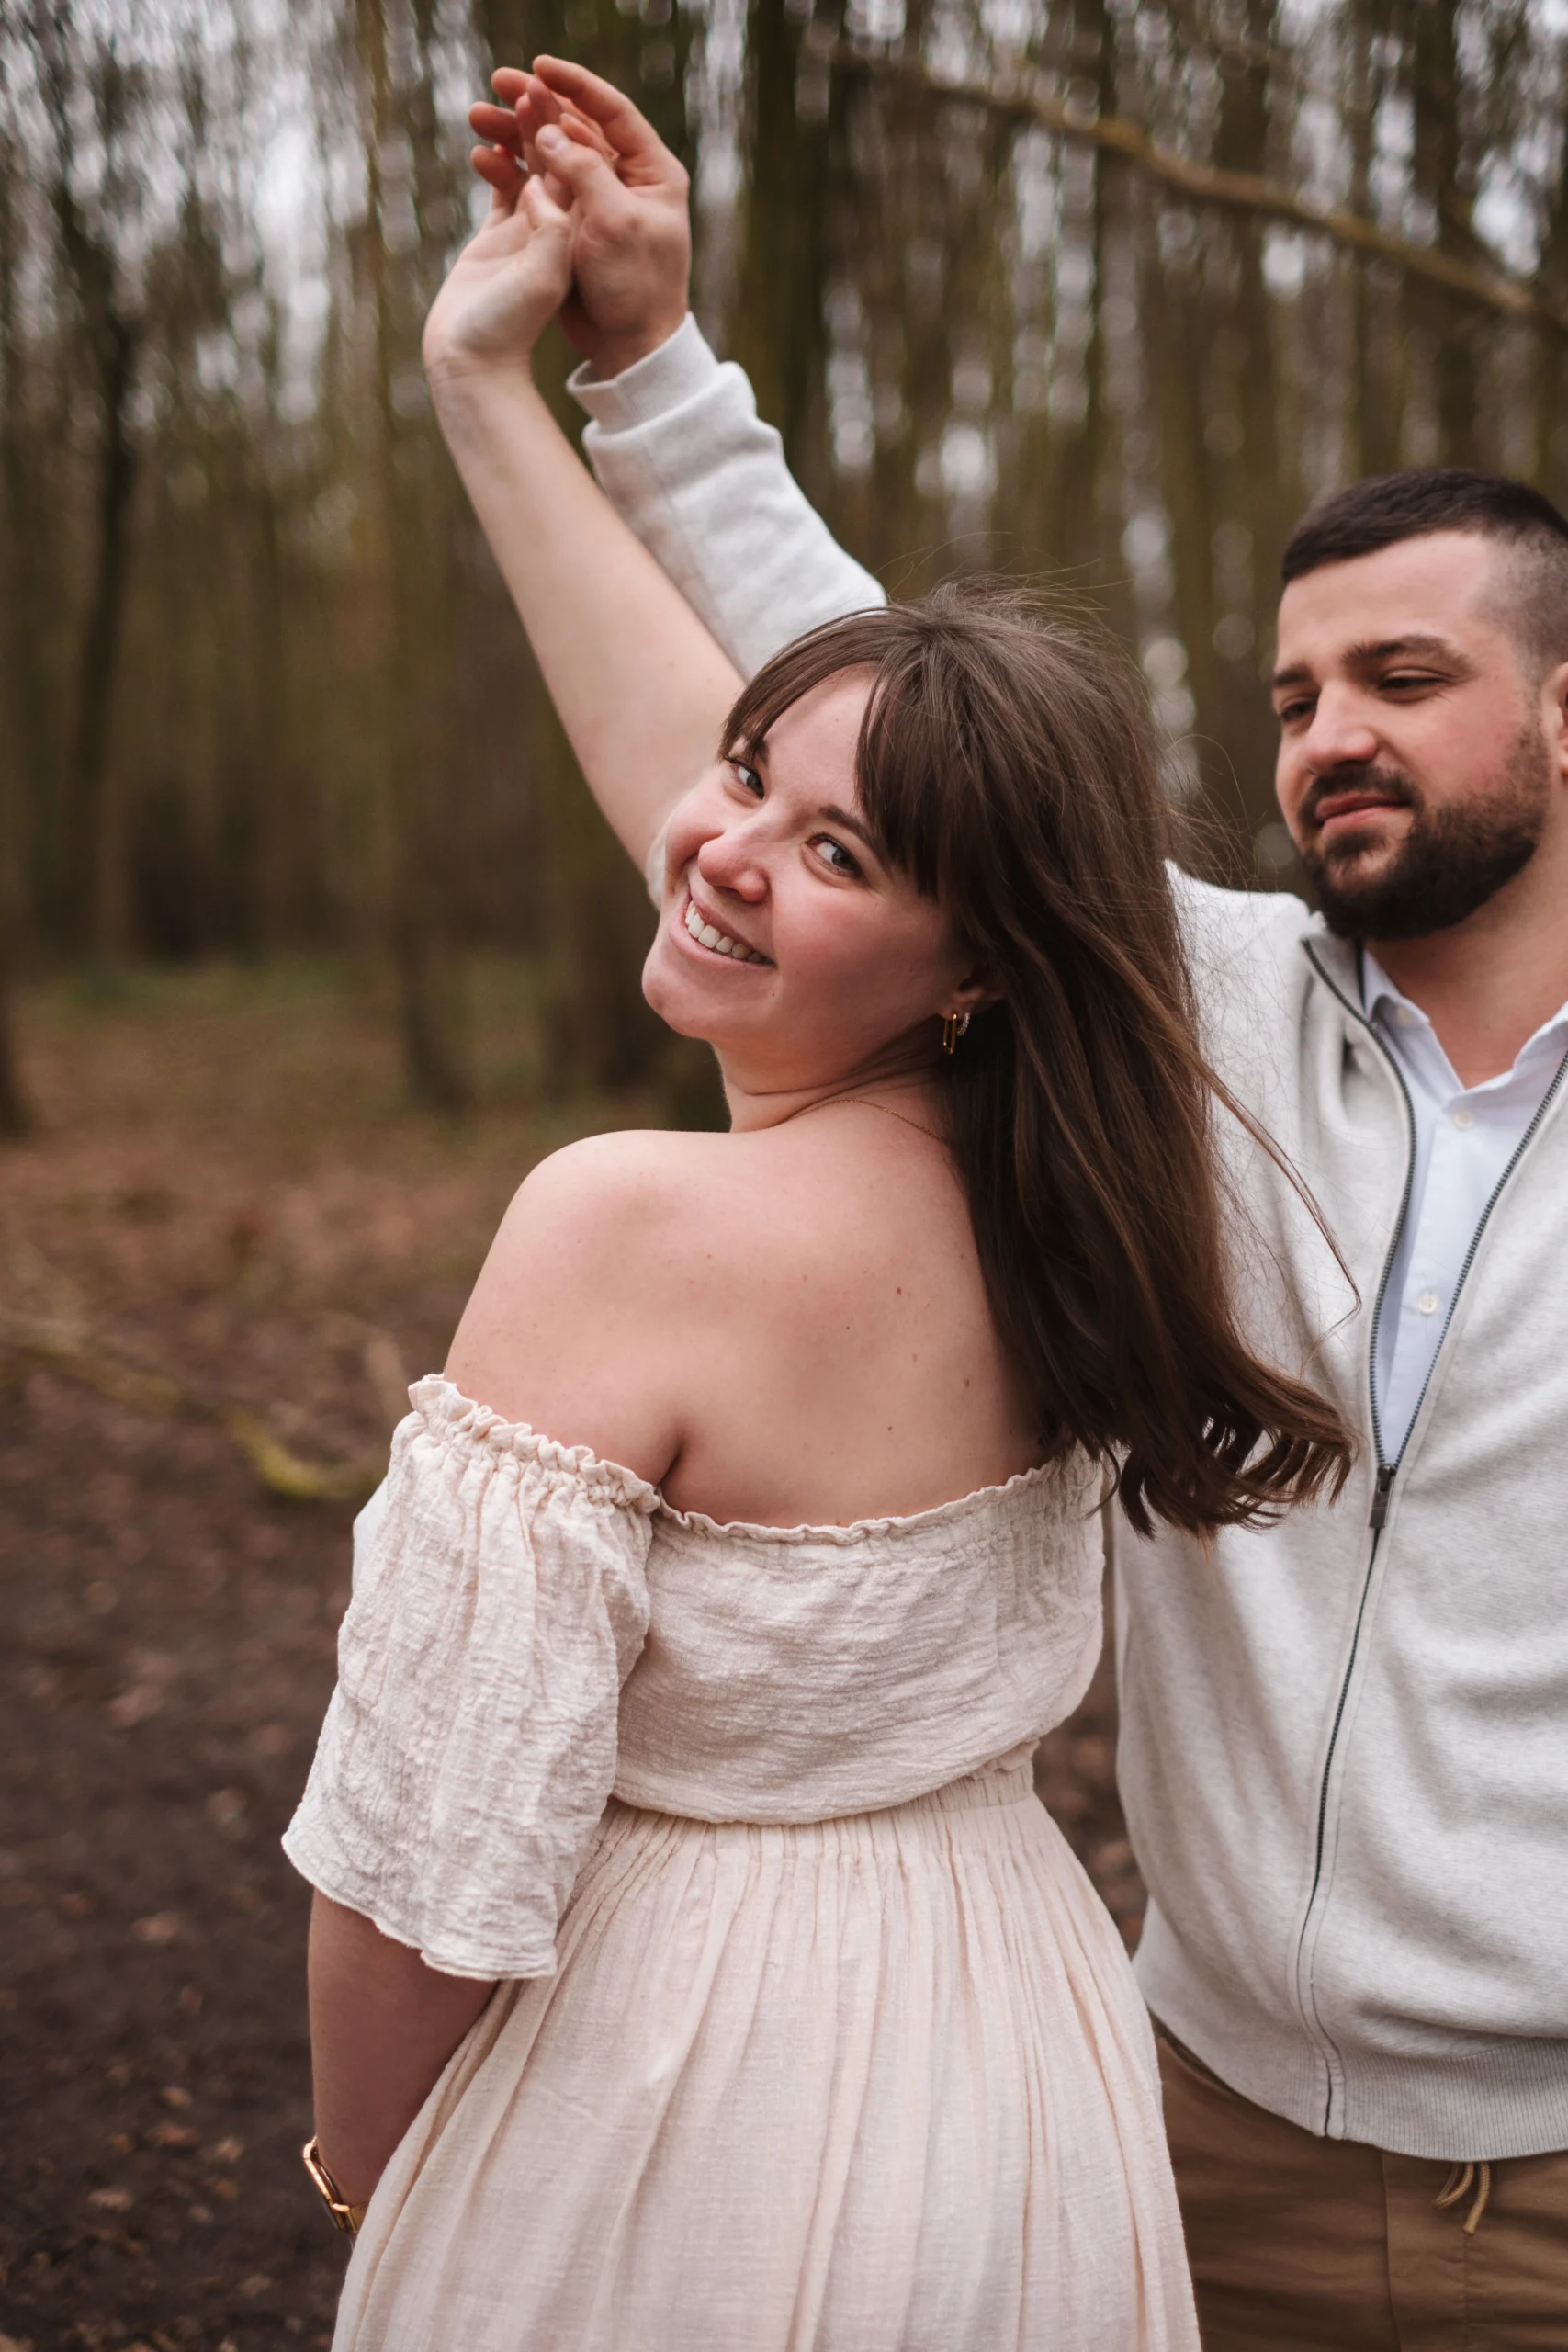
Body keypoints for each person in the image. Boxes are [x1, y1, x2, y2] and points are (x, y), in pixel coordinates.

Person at [468, 59, 1568, 2352]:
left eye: (1403, 677)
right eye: (1292, 694)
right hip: (1184, 2126)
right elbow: (898, 708)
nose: (1326, 736)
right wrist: (643, 353)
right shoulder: (1199, 1014)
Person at [281, 108, 1355, 2352]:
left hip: (681, 2092)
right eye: (748, 770)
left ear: (972, 961)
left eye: (839, 853)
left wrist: (386, 2181)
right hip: (1014, 2063)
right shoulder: (1082, 1190)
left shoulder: (633, 1222)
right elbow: (717, 795)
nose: (723, 844)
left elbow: (426, 1867)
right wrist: (504, 380)